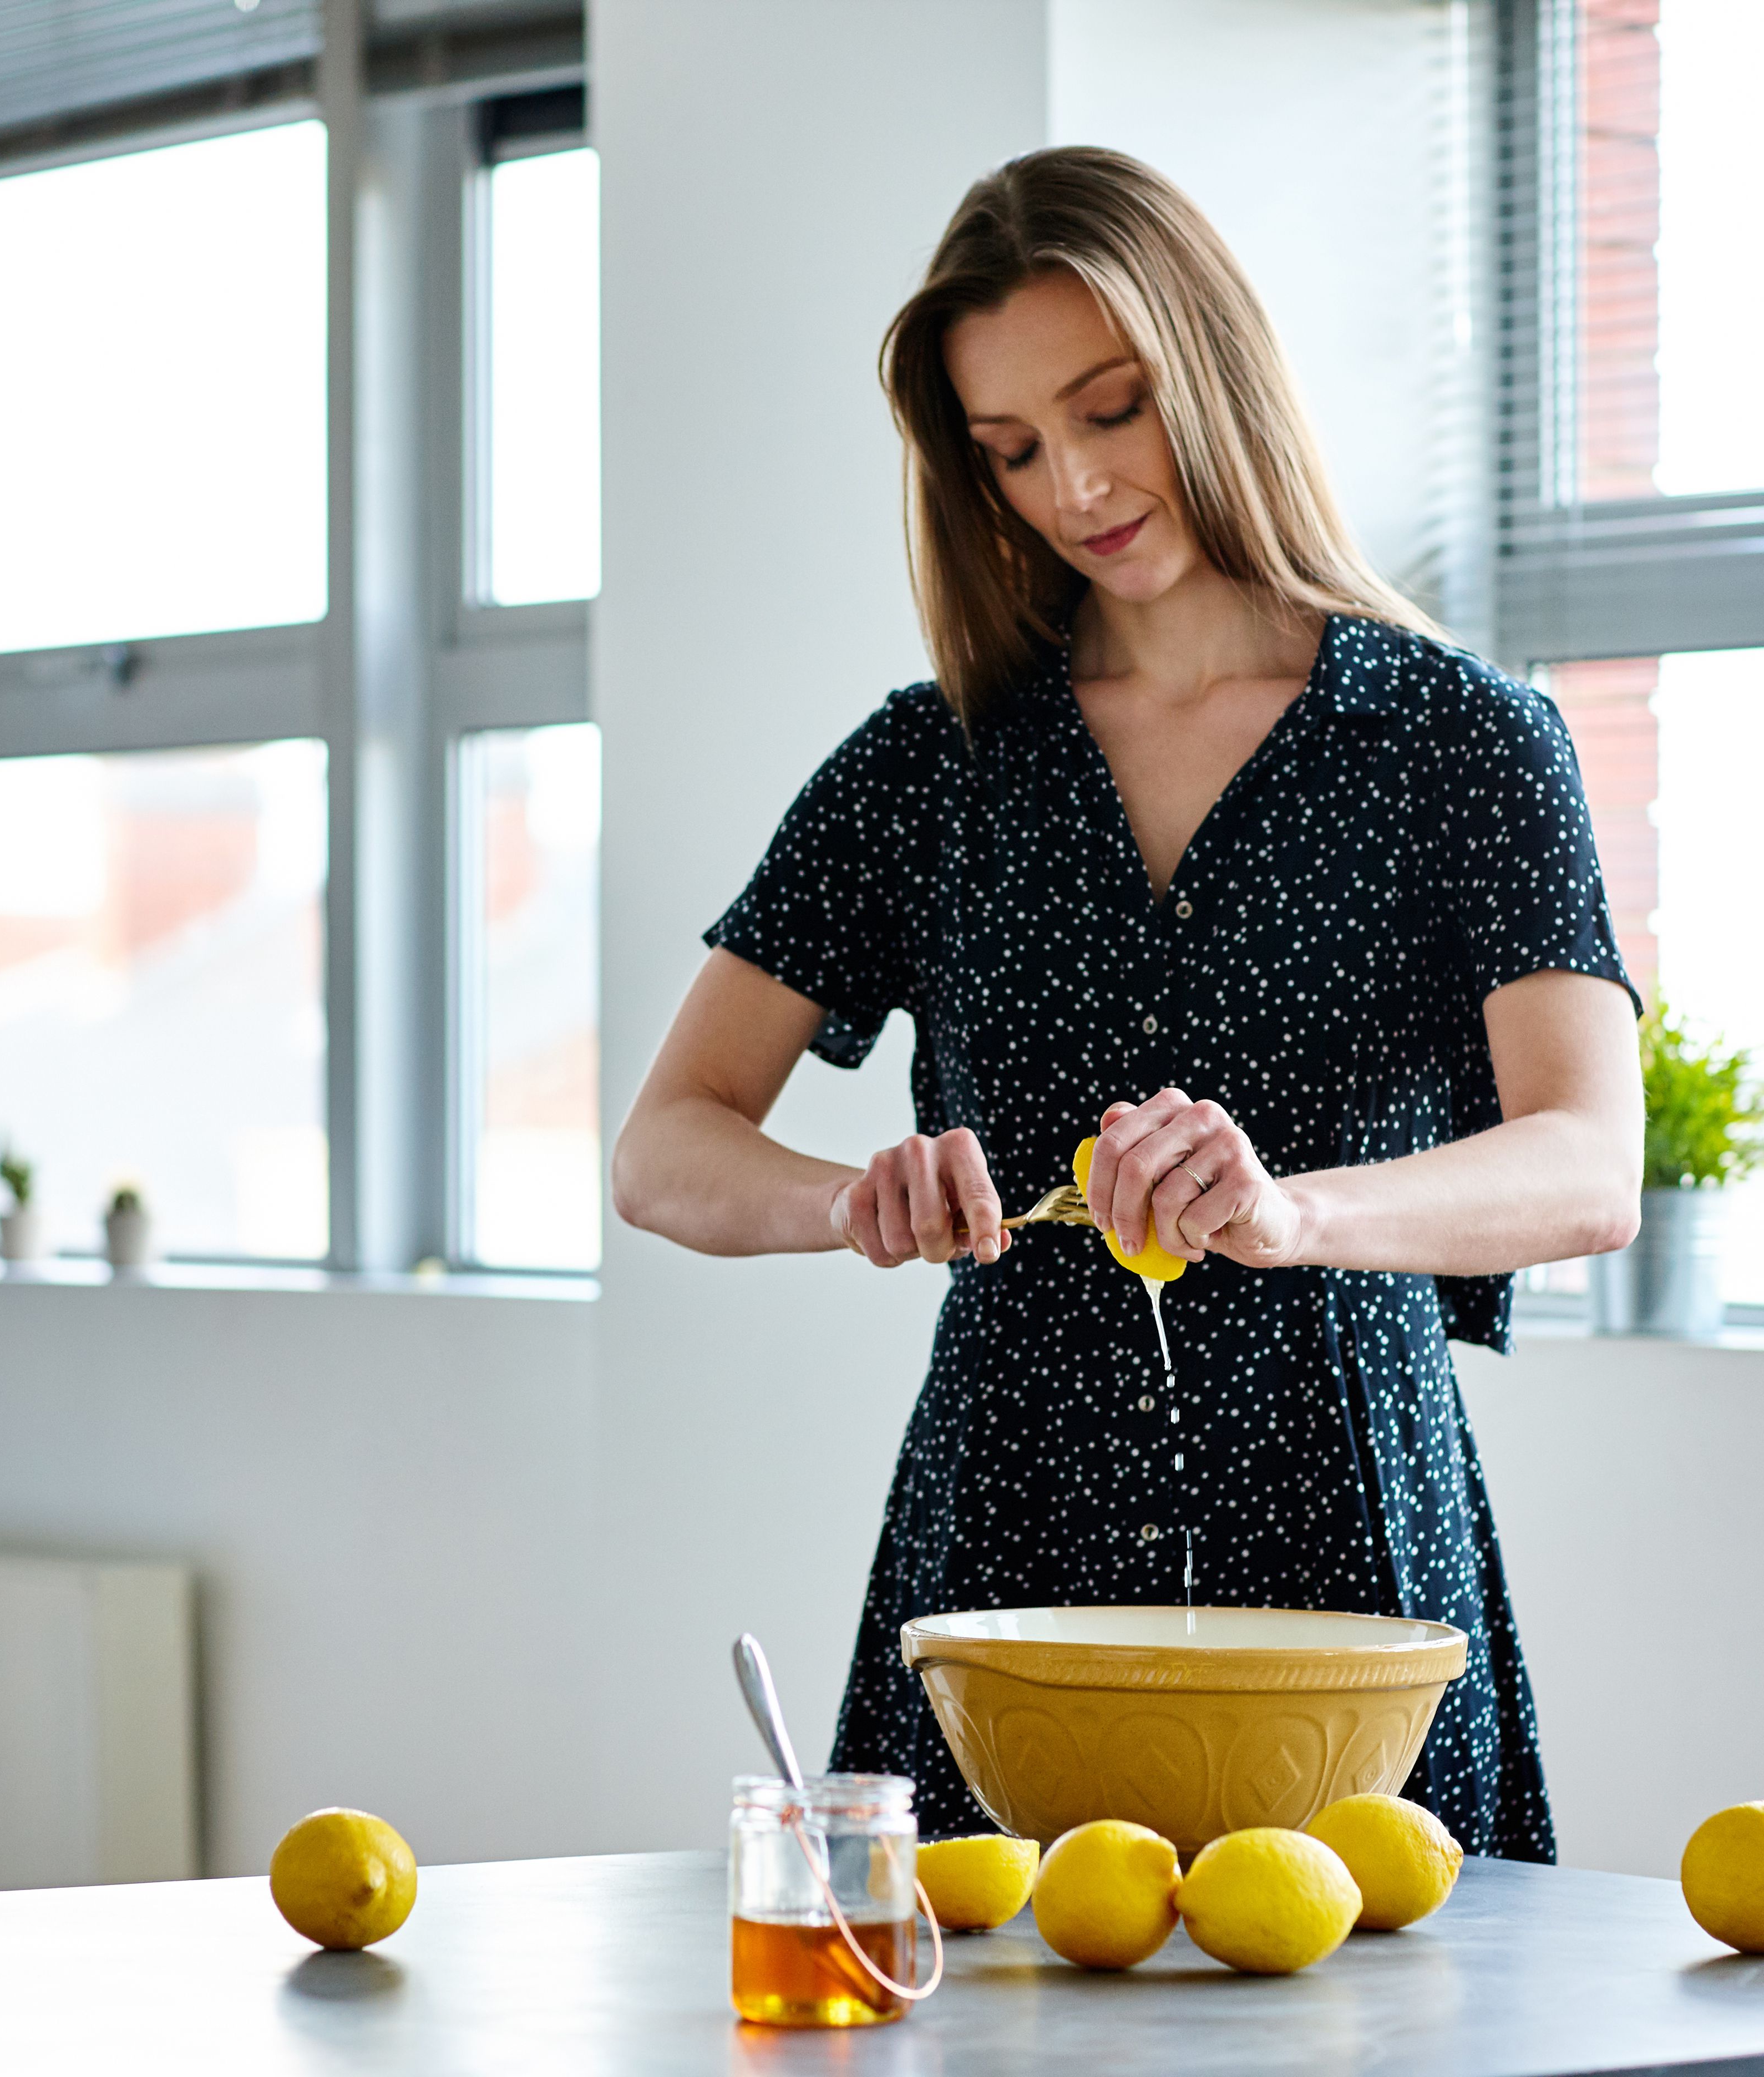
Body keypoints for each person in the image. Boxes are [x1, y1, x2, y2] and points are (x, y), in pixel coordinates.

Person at [610, 148, 1642, 1857]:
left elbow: (1589, 1166)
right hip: (1004, 1559)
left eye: (1111, 409)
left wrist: (1291, 1211)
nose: (1075, 483)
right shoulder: (926, 765)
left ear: (1212, 368)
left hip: (1351, 1562)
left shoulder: (1464, 740)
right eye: (1012, 450)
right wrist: (847, 1202)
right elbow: (664, 1150)